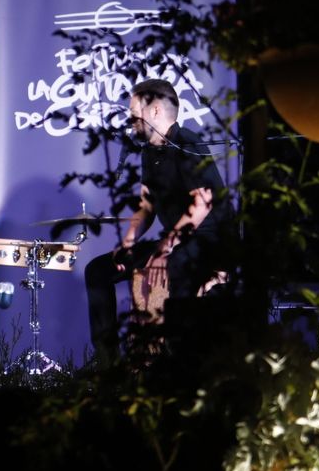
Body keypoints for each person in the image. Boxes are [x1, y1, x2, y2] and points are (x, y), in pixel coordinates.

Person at [82, 77, 235, 360]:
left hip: (207, 242)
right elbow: (147, 207)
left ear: (153, 111)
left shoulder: (187, 143)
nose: (130, 120)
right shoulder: (148, 152)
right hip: (174, 241)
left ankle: (169, 362)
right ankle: (109, 365)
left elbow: (202, 203)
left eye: (133, 112)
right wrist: (128, 241)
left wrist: (165, 249)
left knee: (165, 269)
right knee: (97, 271)